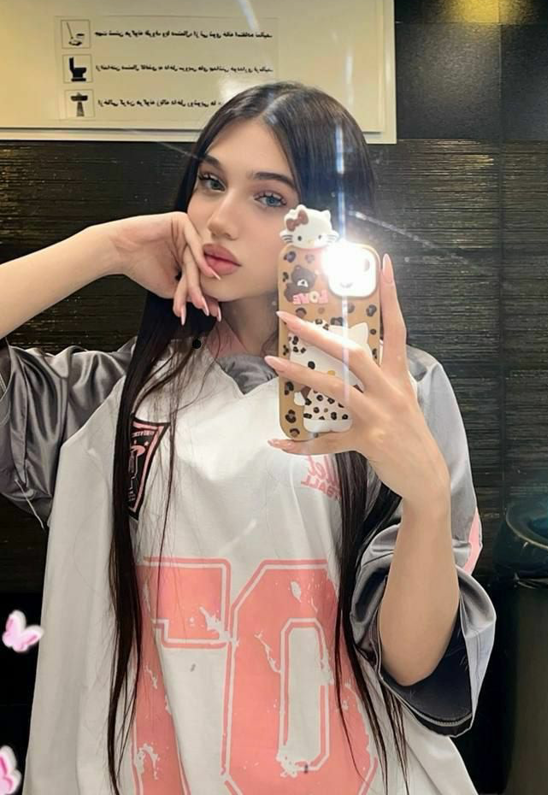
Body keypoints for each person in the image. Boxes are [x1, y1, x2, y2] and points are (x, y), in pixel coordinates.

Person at [0, 81, 496, 794]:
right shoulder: (108, 401)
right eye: (210, 182)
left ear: (326, 221)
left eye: (268, 197)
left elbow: (414, 662)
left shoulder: (396, 396)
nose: (220, 219)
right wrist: (105, 247)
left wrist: (424, 495)